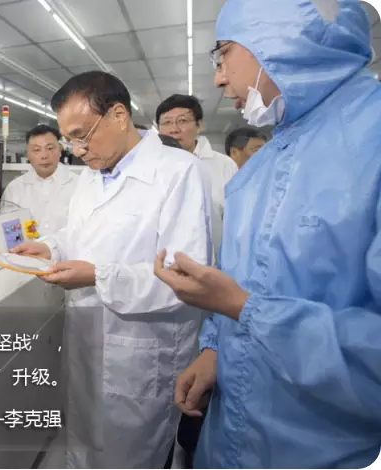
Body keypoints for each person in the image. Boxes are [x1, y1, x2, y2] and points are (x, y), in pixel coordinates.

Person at [154, 0, 381, 468]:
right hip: (232, 431)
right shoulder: (268, 161)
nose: (219, 78)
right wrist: (214, 348)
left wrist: (243, 309)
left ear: (281, 36)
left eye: (224, 53)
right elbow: (240, 274)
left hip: (316, 448)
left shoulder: (370, 142)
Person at [13, 71, 212, 469]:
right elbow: (82, 233)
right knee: (83, 444)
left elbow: (184, 278)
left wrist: (97, 276)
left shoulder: (177, 172)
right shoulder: (91, 175)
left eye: (81, 135)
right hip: (86, 343)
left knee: (130, 455)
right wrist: (51, 246)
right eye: (69, 140)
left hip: (139, 353)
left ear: (119, 116)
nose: (77, 150)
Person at [156, 94, 237, 257]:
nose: (174, 129)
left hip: (214, 261)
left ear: (199, 125)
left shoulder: (224, 165)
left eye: (182, 121)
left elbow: (237, 220)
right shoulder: (151, 166)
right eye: (166, 122)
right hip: (161, 263)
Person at [1, 125, 78, 237]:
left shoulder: (78, 185)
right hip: (24, 249)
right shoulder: (14, 189)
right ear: (28, 154)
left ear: (60, 150)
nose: (44, 156)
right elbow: (8, 232)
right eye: (37, 150)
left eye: (50, 148)